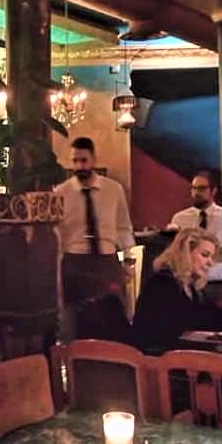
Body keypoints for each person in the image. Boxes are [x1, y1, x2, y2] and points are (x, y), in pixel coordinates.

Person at [55, 137, 135, 340]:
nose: (79, 166)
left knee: (113, 311)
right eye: (75, 161)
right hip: (75, 260)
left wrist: (128, 259)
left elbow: (123, 227)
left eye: (84, 160)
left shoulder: (113, 190)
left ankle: (114, 352)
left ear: (93, 160)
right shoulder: (61, 193)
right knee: (74, 315)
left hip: (106, 260)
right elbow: (58, 234)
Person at [132, 228, 222, 350]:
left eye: (211, 257)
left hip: (182, 353)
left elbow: (207, 318)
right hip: (158, 356)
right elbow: (172, 328)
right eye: (205, 255)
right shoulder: (162, 283)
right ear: (185, 253)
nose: (210, 263)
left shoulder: (191, 288)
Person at [169, 171, 222, 309]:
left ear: (213, 191)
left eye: (201, 188)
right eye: (193, 188)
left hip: (217, 283)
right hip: (188, 283)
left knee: (220, 319)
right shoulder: (180, 218)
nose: (196, 193)